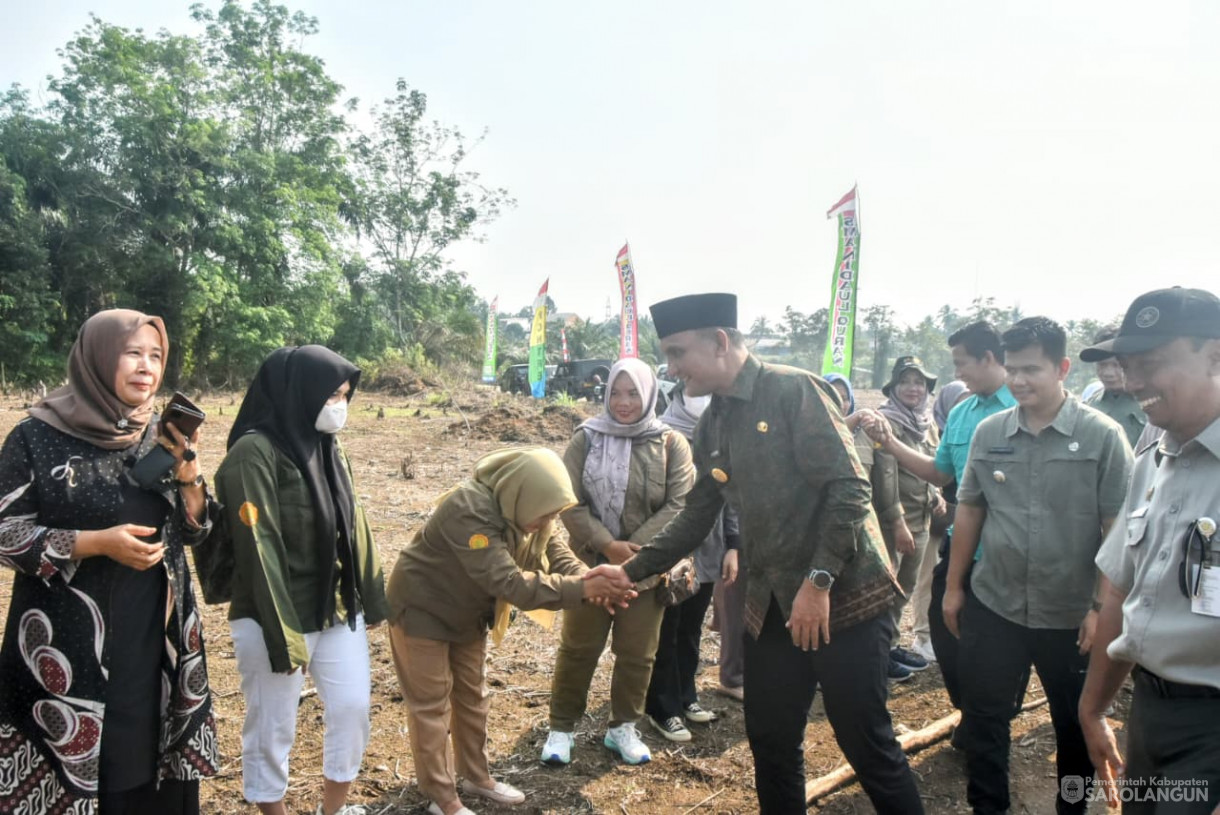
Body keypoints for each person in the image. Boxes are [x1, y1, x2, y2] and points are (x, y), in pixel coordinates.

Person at [590, 293, 923, 814]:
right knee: (771, 741)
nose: (671, 368)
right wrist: (629, 571)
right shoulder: (714, 424)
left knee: (867, 744)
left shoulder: (794, 391)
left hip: (845, 598)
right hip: (772, 606)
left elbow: (849, 489)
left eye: (677, 353)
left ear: (720, 342)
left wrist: (818, 582)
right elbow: (697, 515)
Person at [0, 309, 218, 813]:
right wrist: (95, 542)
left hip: (155, 634)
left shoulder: (158, 434)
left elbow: (195, 530)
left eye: (156, 356)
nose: (147, 367)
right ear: (97, 359)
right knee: (91, 768)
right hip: (68, 644)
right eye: (132, 353)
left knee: (146, 757)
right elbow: (7, 533)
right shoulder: (35, 437)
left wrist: (189, 474)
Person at [943, 317, 1133, 815]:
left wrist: (1099, 608)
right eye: (1012, 369)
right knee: (985, 719)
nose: (1018, 380)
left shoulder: (1102, 436)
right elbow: (970, 509)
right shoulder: (990, 432)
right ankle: (989, 808)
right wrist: (954, 587)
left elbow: (1116, 529)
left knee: (1074, 724)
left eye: (1032, 369)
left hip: (1070, 613)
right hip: (996, 601)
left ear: (1063, 368)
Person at [386, 448, 635, 815]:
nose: (549, 520)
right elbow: (510, 583)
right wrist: (584, 589)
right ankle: (443, 798)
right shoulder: (468, 508)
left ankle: (476, 776)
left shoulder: (526, 508)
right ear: (524, 493)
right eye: (546, 513)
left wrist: (590, 578)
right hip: (422, 609)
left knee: (473, 697)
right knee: (431, 705)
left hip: (467, 613)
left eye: (554, 514)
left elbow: (555, 551)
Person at [214, 346, 390, 815]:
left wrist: (372, 598)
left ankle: (332, 810)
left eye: (345, 395)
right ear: (299, 393)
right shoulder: (253, 454)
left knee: (352, 708)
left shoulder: (328, 446)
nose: (339, 406)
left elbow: (354, 522)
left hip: (333, 606)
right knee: (272, 725)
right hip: (273, 613)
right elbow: (259, 548)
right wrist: (284, 635)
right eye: (331, 395)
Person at [1078, 287, 1220, 814]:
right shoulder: (1152, 464)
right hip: (1150, 714)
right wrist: (1094, 709)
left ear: (1215, 356)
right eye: (1127, 366)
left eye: (1152, 363)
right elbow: (1121, 590)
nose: (1134, 381)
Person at [860, 321, 1020, 715]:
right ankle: (972, 713)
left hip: (1011, 553)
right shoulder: (962, 413)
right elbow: (940, 471)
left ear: (988, 358)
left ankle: (991, 718)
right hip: (965, 547)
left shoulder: (1022, 408)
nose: (957, 373)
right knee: (946, 629)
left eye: (961, 363)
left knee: (1001, 648)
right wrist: (890, 442)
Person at [543, 358, 695, 765]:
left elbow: (679, 506)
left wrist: (632, 554)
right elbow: (567, 499)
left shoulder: (671, 444)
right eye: (616, 393)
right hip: (590, 568)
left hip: (644, 573)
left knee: (638, 654)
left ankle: (623, 727)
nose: (624, 403)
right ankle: (561, 728)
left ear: (649, 395)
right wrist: (608, 546)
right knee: (579, 648)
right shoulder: (587, 438)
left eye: (633, 394)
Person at [644, 383, 741, 742]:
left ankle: (687, 695)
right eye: (694, 396)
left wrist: (733, 544)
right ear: (678, 397)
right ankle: (662, 706)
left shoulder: (719, 435)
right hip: (674, 547)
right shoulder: (662, 437)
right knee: (667, 629)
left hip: (710, 547)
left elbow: (729, 494)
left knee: (691, 628)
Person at [871, 356, 945, 679]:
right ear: (893, 388)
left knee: (905, 588)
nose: (913, 388)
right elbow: (885, 476)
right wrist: (897, 522)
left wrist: (936, 495)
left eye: (919, 382)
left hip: (922, 520)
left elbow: (933, 466)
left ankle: (889, 646)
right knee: (885, 590)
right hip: (894, 524)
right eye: (905, 382)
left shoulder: (927, 424)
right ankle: (877, 653)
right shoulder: (885, 422)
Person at [908, 379, 971, 662]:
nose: (965, 406)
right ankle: (924, 634)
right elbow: (935, 472)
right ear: (946, 404)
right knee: (928, 577)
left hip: (961, 517)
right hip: (936, 516)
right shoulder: (941, 430)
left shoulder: (929, 427)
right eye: (959, 402)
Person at [1085, 325, 1148, 449]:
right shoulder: (1089, 406)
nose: (1108, 373)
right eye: (1102, 365)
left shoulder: (1152, 403)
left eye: (1116, 365)